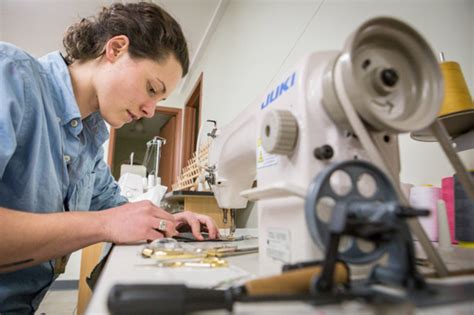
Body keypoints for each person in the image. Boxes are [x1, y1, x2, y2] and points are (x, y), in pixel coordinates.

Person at [0, 2, 218, 313]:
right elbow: (111, 219)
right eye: (152, 88)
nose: (150, 110)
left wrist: (170, 221)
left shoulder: (89, 147)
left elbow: (119, 210)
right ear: (116, 48)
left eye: (160, 99)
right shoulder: (10, 75)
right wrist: (104, 224)